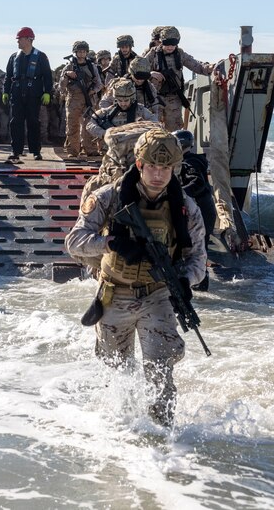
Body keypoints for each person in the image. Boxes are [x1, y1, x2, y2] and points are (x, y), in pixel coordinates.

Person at [65, 128, 206, 427]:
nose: (158, 175)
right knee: (118, 371)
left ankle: (163, 436)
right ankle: (122, 431)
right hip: (116, 294)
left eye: (165, 168)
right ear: (139, 165)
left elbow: (198, 260)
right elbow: (74, 241)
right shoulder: (108, 197)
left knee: (160, 372)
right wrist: (110, 244)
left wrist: (185, 281)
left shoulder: (186, 208)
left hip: (158, 295)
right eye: (152, 166)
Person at [145, 26, 215, 131]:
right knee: (153, 130)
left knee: (174, 131)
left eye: (173, 44)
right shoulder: (153, 54)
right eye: (167, 44)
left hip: (173, 98)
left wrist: (209, 68)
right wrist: (151, 73)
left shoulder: (180, 54)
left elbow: (196, 65)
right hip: (155, 98)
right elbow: (137, 70)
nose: (170, 47)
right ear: (161, 41)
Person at [173, 129, 217, 291]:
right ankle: (197, 283)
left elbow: (196, 183)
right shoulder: (190, 160)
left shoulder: (191, 162)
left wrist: (179, 194)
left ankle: (201, 286)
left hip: (203, 211)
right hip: (204, 209)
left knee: (199, 249)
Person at [3, 27, 53, 162]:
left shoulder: (41, 56)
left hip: (34, 93)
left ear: (28, 39)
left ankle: (36, 151)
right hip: (17, 93)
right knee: (16, 123)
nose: (18, 42)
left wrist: (47, 92)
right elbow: (8, 76)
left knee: (33, 122)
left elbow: (48, 76)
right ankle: (16, 151)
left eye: (20, 39)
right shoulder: (14, 57)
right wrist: (5, 92)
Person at [60, 40, 103, 158]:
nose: (81, 54)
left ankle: (90, 149)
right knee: (72, 125)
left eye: (84, 51)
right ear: (75, 52)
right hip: (73, 98)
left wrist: (92, 91)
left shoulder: (92, 66)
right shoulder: (69, 66)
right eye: (79, 51)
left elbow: (99, 84)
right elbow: (61, 86)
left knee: (89, 125)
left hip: (88, 98)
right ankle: (73, 150)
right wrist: (67, 75)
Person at [86, 79, 159, 141]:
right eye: (120, 101)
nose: (123, 104)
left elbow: (156, 125)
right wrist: (104, 133)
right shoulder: (108, 111)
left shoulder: (141, 110)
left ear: (132, 98)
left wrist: (140, 129)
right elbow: (90, 125)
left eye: (126, 100)